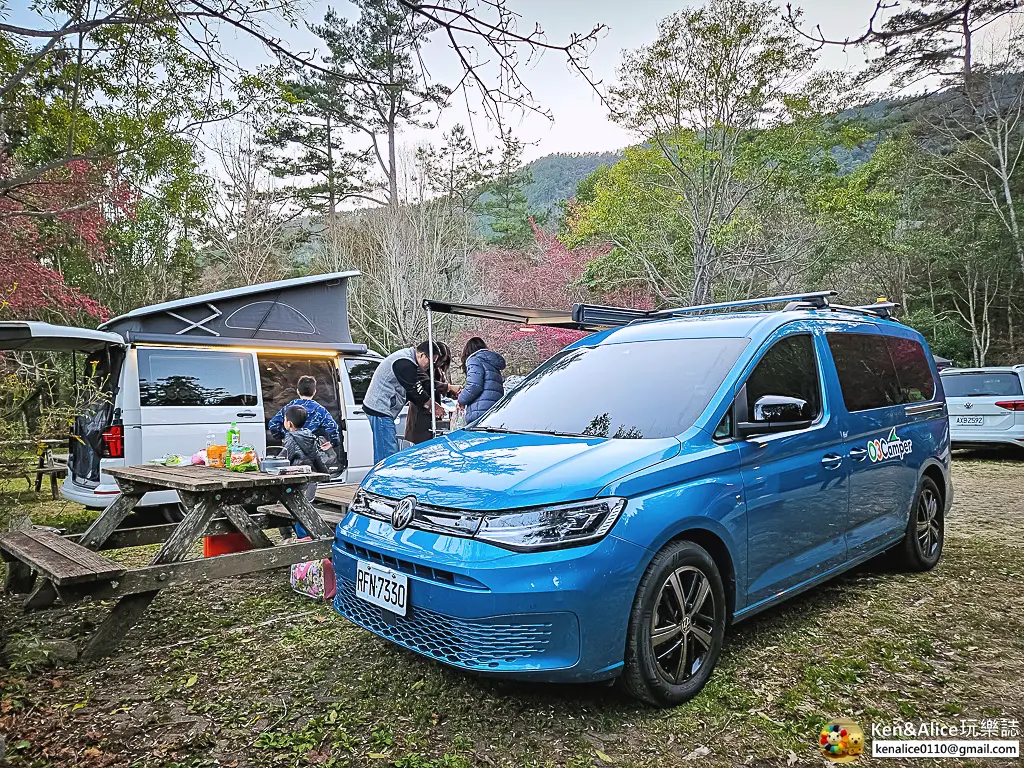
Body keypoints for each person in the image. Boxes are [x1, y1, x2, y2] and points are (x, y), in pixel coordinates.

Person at [363, 340, 443, 463]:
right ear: (421, 355)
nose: (432, 365)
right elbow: (415, 391)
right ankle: (385, 479)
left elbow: (412, 392)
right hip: (380, 408)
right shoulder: (404, 363)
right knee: (387, 453)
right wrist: (433, 406)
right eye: (431, 360)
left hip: (381, 408)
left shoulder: (407, 360)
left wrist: (430, 405)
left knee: (384, 450)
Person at [269, 375, 343, 469]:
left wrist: (283, 436)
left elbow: (273, 424)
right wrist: (332, 443)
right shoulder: (320, 410)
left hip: (291, 448)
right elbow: (332, 427)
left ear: (297, 391)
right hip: (311, 448)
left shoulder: (289, 408)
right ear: (314, 392)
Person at [281, 404, 331, 538]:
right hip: (310, 483)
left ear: (289, 423)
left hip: (295, 483)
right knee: (305, 510)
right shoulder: (310, 436)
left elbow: (285, 458)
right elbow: (318, 459)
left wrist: (269, 464)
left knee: (285, 507)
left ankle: (291, 538)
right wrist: (325, 474)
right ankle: (305, 537)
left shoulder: (290, 438)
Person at [405, 342, 462, 445]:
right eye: (441, 361)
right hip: (420, 417)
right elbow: (428, 384)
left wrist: (454, 393)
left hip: (434, 416)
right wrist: (448, 387)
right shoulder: (421, 368)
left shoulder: (438, 371)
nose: (441, 364)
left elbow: (442, 388)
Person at [458, 337, 506, 423]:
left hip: (480, 412)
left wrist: (461, 399)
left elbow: (474, 386)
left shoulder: (474, 360)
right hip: (496, 410)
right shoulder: (492, 363)